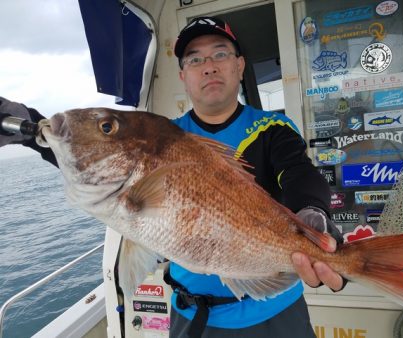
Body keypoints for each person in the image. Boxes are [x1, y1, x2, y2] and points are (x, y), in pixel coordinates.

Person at [0, 16, 345, 338]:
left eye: (220, 54)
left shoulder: (273, 130)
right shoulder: (163, 136)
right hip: (191, 317)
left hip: (275, 315)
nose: (208, 66)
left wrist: (314, 211)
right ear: (183, 75)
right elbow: (94, 163)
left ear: (239, 65)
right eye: (194, 59)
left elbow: (300, 173)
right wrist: (32, 129)